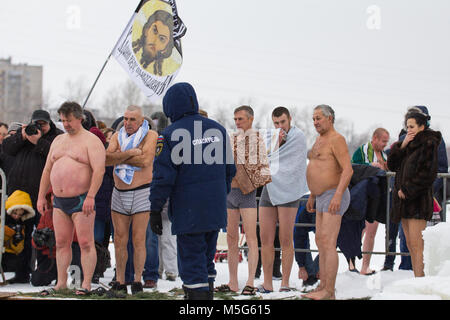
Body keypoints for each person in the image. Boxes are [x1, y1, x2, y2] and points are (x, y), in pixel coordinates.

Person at [149, 82, 236, 300]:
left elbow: (162, 177)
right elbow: (230, 170)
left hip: (188, 211)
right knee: (206, 261)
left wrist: (154, 208)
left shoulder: (169, 134)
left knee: (191, 263)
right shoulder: (218, 130)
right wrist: (218, 195)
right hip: (215, 210)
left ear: (170, 107)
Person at [36, 101, 105, 295]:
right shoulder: (58, 141)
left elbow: (99, 171)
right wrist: (41, 196)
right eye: (63, 120)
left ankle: (87, 283)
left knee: (85, 243)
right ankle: (61, 282)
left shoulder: (91, 141)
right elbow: (47, 169)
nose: (66, 124)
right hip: (59, 201)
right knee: (61, 243)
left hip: (82, 199)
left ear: (80, 118)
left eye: (69, 120)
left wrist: (91, 195)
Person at [382, 106, 448, 272]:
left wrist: (408, 188)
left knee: (417, 244)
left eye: (412, 127)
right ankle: (416, 279)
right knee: (409, 244)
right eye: (407, 127)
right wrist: (402, 146)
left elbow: (428, 172)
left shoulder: (429, 143)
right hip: (403, 200)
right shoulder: (406, 142)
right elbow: (391, 165)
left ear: (422, 127)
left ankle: (420, 280)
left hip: (417, 200)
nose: (408, 130)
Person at [2, 109, 63, 283]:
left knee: (44, 235)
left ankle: (46, 271)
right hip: (21, 196)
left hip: (43, 196)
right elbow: (7, 148)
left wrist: (38, 141)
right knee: (22, 235)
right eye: (36, 123)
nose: (39, 127)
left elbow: (55, 155)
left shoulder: (56, 137)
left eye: (42, 124)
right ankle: (22, 272)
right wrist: (22, 136)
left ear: (49, 123)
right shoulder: (25, 133)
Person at [215, 105, 271, 296]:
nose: (237, 122)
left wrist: (240, 172)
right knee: (231, 238)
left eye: (241, 119)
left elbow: (261, 171)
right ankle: (232, 281)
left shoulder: (257, 140)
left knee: (251, 237)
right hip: (230, 193)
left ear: (251, 119)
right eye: (235, 119)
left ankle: (250, 281)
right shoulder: (231, 138)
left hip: (247, 194)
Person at [105, 105, 158, 297]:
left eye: (132, 119)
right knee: (119, 240)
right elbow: (106, 159)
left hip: (141, 191)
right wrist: (132, 152)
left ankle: (137, 280)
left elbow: (145, 161)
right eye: (125, 119)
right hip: (119, 191)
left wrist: (119, 156)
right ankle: (120, 280)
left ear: (141, 120)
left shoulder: (150, 135)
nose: (127, 123)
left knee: (139, 239)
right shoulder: (116, 135)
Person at [303, 105, 353, 300]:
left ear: (330, 118)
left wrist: (338, 195)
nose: (315, 122)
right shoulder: (318, 139)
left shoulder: (337, 139)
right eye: (313, 119)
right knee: (321, 241)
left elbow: (347, 170)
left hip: (334, 194)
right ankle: (322, 285)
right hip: (320, 196)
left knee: (329, 242)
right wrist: (312, 195)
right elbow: (318, 167)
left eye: (318, 118)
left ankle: (330, 292)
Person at [259, 106, 308, 293]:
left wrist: (277, 148)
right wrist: (274, 144)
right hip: (269, 187)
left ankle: (285, 283)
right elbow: (262, 158)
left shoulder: (299, 136)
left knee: (286, 238)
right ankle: (267, 282)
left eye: (283, 122)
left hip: (289, 189)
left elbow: (296, 165)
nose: (280, 126)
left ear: (290, 119)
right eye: (276, 123)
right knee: (266, 238)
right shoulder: (269, 136)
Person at [351, 128, 390, 275]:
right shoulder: (362, 151)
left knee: (371, 232)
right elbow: (353, 168)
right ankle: (351, 263)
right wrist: (371, 167)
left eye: (386, 142)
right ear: (375, 138)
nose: (385, 144)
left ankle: (365, 266)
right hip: (362, 197)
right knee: (358, 230)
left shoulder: (384, 155)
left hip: (377, 198)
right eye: (383, 141)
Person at [150, 111, 177, 284]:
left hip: (166, 199)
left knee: (167, 238)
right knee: (155, 240)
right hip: (154, 198)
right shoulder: (153, 144)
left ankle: (171, 270)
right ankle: (158, 268)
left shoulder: (167, 143)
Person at [2, 190, 35, 274]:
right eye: (15, 213)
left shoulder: (24, 224)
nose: (17, 216)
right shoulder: (2, 218)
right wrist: (8, 231)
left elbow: (19, 248)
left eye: (20, 215)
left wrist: (18, 238)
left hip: (12, 254)